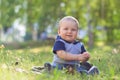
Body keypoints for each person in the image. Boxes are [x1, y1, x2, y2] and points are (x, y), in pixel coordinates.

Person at [32, 16, 99, 75]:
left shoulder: (79, 44)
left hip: (74, 67)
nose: (69, 31)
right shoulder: (59, 42)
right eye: (66, 29)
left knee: (83, 67)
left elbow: (82, 58)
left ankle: (90, 73)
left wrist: (86, 57)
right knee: (55, 70)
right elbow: (62, 55)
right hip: (59, 66)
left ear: (77, 32)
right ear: (59, 32)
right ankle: (49, 70)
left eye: (73, 30)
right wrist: (78, 57)